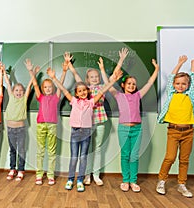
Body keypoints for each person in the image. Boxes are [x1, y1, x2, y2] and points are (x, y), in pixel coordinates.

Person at [47, 66, 123, 192]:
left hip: (87, 133)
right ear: (76, 93)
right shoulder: (74, 101)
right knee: (74, 158)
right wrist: (54, 78)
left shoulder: (91, 102)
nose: (82, 92)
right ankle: (71, 179)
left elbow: (103, 90)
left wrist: (113, 80)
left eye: (84, 91)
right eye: (80, 91)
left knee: (83, 157)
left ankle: (81, 180)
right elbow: (64, 89)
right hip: (75, 132)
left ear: (87, 92)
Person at [105, 48, 159, 192]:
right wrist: (121, 60)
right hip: (124, 128)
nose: (132, 86)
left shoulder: (138, 95)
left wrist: (157, 70)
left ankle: (133, 181)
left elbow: (149, 83)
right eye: (129, 84)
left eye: (134, 84)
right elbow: (111, 80)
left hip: (137, 129)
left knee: (134, 155)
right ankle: (125, 180)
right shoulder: (118, 95)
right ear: (123, 85)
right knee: (125, 154)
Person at [156, 55, 194, 198]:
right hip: (173, 131)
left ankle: (182, 184)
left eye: (183, 84)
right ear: (173, 84)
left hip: (188, 132)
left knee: (184, 160)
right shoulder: (171, 94)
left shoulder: (190, 95)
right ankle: (161, 181)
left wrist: (192, 64)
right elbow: (172, 76)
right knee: (170, 157)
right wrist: (179, 63)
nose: (180, 86)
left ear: (188, 85)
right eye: (177, 83)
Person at [66, 53, 111, 186]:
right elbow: (76, 76)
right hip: (86, 124)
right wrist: (69, 64)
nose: (95, 78)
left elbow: (109, 83)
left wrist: (102, 69)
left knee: (97, 148)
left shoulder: (102, 87)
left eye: (96, 76)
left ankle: (96, 175)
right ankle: (86, 175)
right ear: (88, 79)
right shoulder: (85, 90)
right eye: (92, 77)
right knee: (87, 150)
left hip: (100, 120)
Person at [29, 55, 69, 186]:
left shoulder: (56, 97)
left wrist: (64, 71)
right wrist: (31, 72)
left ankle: (50, 175)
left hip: (52, 126)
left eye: (50, 87)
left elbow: (60, 84)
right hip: (41, 125)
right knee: (40, 151)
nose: (48, 89)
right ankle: (39, 175)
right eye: (45, 87)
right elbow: (35, 84)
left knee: (52, 151)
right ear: (42, 89)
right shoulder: (40, 97)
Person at [4, 59, 39, 181]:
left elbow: (30, 85)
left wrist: (32, 73)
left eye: (21, 90)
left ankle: (21, 170)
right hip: (10, 129)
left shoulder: (24, 99)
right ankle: (12, 169)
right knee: (12, 150)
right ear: (12, 92)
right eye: (16, 90)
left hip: (20, 129)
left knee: (21, 150)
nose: (19, 92)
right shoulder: (11, 98)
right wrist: (4, 72)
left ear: (24, 92)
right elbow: (8, 84)